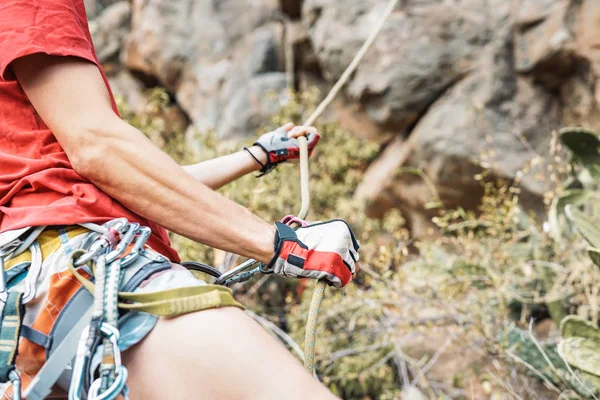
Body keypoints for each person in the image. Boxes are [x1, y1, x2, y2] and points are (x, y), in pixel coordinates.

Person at [0, 0, 359, 399]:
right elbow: (97, 148)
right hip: (75, 271)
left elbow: (127, 186)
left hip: (22, 311)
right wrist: (280, 244)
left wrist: (256, 155)